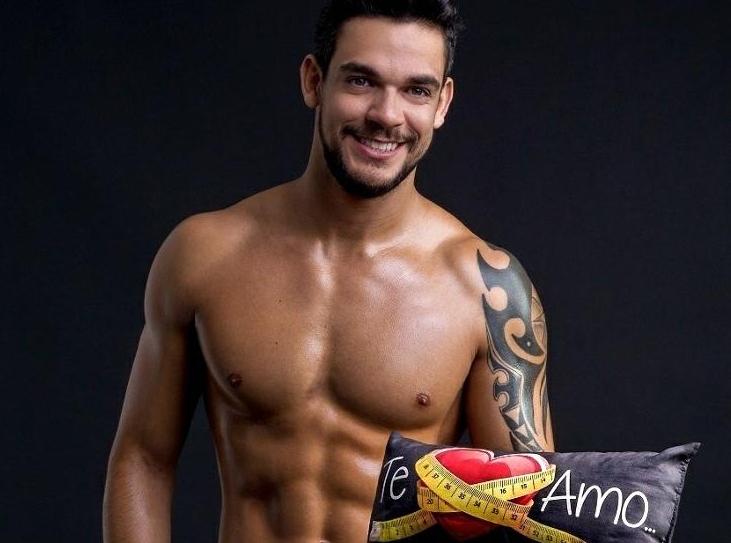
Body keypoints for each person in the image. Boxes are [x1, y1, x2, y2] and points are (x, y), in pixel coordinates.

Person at [103, 1, 554, 541]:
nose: (387, 115)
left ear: (442, 103)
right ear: (314, 81)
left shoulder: (485, 286)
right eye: (362, 81)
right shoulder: (205, 255)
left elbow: (527, 510)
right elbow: (144, 458)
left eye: (416, 90)